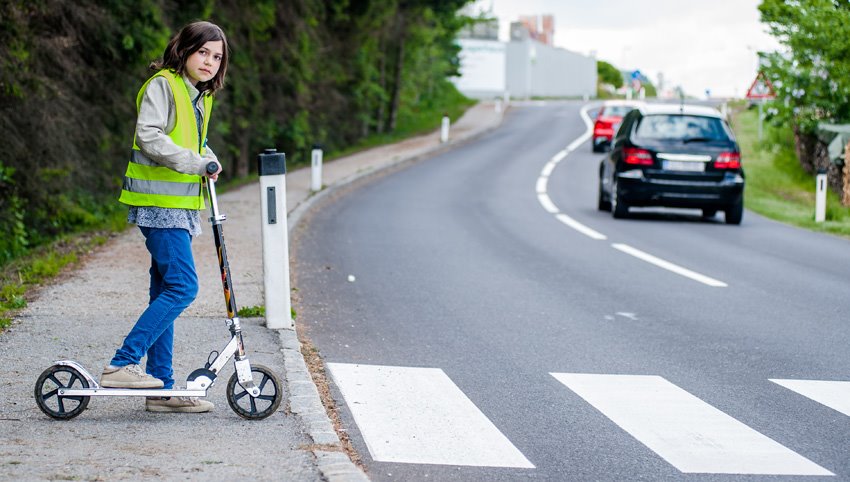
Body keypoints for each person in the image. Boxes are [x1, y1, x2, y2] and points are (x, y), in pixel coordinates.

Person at [100, 21, 228, 414]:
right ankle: (122, 363)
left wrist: (209, 156)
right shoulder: (163, 84)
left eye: (217, 57)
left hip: (181, 207)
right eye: (203, 52)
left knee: (164, 291)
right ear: (185, 49)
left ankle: (161, 387)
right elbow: (150, 136)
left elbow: (193, 141)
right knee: (183, 287)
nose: (209, 62)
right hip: (159, 204)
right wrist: (196, 162)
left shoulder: (200, 97)